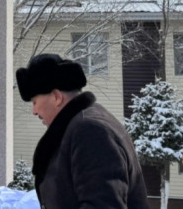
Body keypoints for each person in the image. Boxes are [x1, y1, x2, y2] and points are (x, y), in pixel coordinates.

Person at [15, 53, 148, 208]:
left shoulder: (90, 131)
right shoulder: (83, 124)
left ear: (56, 97)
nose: (34, 111)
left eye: (35, 102)